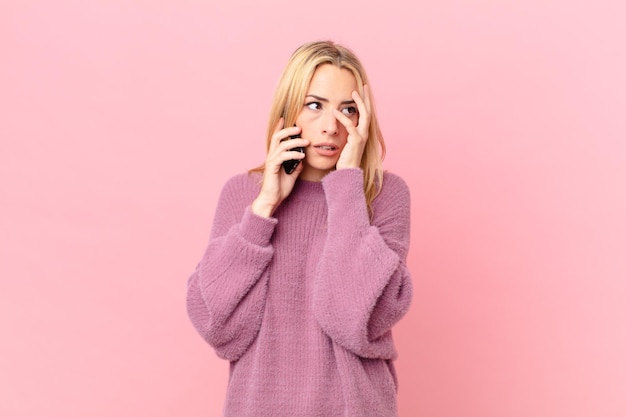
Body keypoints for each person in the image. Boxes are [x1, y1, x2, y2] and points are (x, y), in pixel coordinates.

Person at [186, 40, 412, 416]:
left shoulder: (383, 196)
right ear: (288, 111)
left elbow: (355, 318)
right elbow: (217, 325)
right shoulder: (243, 194)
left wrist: (346, 188)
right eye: (314, 105)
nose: (330, 126)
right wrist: (264, 208)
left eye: (347, 110)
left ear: (363, 120)